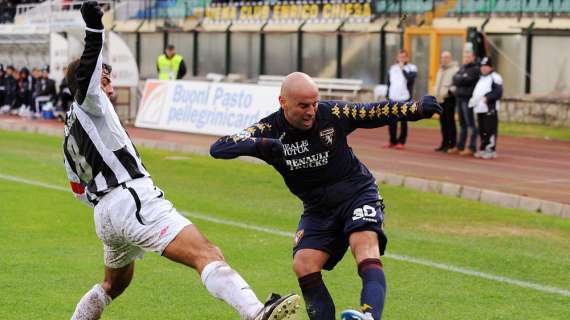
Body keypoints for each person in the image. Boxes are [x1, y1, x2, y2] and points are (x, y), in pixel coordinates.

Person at [64, 3, 299, 320]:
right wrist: (95, 29)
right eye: (106, 81)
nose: (111, 86)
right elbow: (89, 75)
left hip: (104, 213)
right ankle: (255, 312)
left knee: (111, 285)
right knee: (207, 253)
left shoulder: (69, 133)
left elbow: (78, 188)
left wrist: (109, 207)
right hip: (131, 198)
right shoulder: (91, 102)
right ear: (89, 83)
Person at [210, 72, 442, 320]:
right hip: (318, 209)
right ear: (283, 102)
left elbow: (373, 111)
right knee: (304, 264)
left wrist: (416, 108)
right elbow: (219, 147)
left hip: (357, 194)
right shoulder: (269, 130)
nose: (311, 111)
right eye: (303, 105)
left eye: (314, 103)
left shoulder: (332, 114)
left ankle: (369, 316)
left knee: (363, 245)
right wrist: (262, 146)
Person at [383, 49, 417, 150]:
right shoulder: (393, 68)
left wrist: (403, 69)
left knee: (403, 121)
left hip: (405, 99)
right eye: (400, 57)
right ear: (397, 58)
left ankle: (401, 141)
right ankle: (392, 140)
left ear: (407, 58)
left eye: (404, 57)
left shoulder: (412, 68)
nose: (401, 59)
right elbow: (389, 83)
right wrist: (387, 95)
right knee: (391, 121)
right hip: (393, 99)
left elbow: (410, 78)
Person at [470, 57, 503, 159]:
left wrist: (487, 97)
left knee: (490, 129)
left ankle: (490, 150)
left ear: (491, 67)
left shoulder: (495, 77)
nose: (483, 68)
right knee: (482, 130)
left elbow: (498, 92)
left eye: (486, 66)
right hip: (480, 109)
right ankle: (483, 148)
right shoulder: (481, 78)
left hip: (490, 108)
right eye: (482, 66)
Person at [451, 49, 480, 156]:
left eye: (468, 56)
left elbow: (467, 81)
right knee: (462, 124)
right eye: (465, 56)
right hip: (459, 98)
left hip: (468, 100)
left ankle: (471, 147)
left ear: (473, 57)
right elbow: (455, 79)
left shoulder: (475, 69)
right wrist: (461, 78)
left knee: (471, 124)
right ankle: (460, 146)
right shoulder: (462, 68)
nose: (466, 58)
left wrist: (460, 79)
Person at [432, 51, 459, 152]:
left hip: (449, 99)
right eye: (442, 57)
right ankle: (444, 143)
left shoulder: (455, 70)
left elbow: (456, 84)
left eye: (446, 57)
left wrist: (449, 92)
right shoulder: (440, 70)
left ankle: (452, 145)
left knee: (450, 122)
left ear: (450, 58)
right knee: (442, 122)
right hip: (440, 100)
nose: (444, 59)